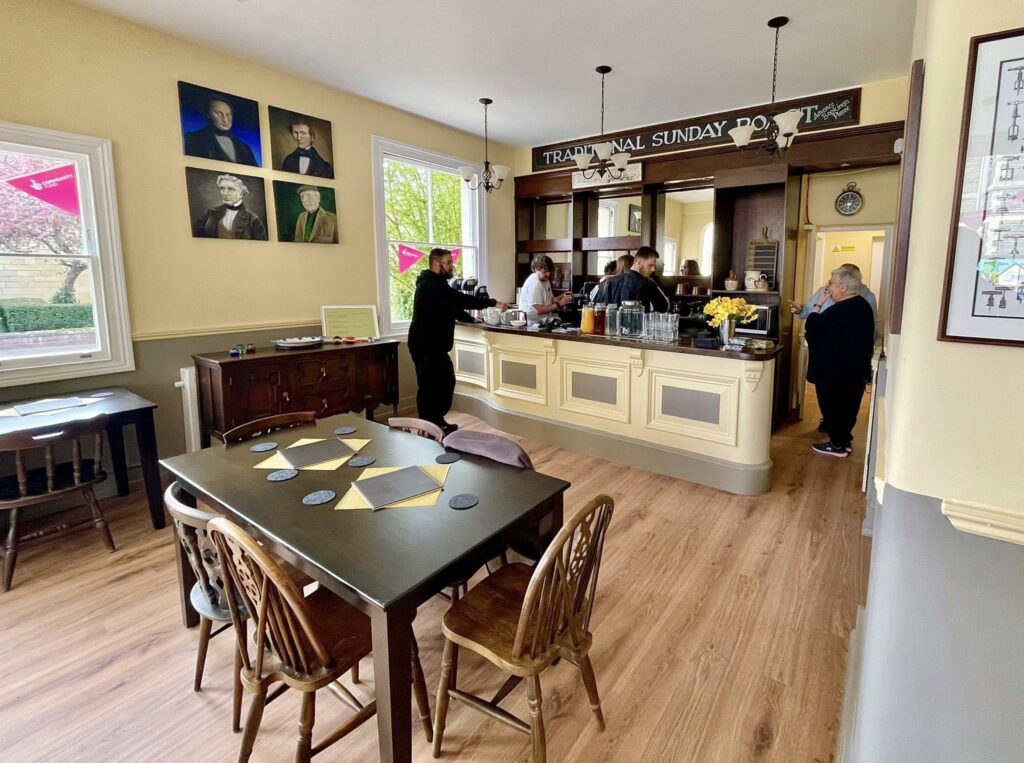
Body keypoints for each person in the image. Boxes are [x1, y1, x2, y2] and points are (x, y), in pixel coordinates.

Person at [407, 248, 508, 434]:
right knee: (433, 385)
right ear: (437, 264)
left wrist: (469, 319)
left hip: (429, 344)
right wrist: (493, 302)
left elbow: (450, 306)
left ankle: (434, 423)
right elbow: (459, 299)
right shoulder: (432, 285)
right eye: (448, 263)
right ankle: (429, 426)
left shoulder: (435, 284)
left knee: (440, 383)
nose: (452, 266)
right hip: (426, 345)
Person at [805, 265, 875, 458]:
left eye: (831, 284)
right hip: (854, 371)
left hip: (834, 372)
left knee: (832, 407)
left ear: (843, 287)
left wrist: (818, 304)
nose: (829, 288)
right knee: (848, 407)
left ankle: (836, 444)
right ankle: (843, 441)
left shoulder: (839, 311)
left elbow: (812, 329)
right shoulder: (863, 306)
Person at [183, 96, 258, 166]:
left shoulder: (244, 147)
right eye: (218, 113)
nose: (225, 120)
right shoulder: (192, 139)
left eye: (228, 115)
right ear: (207, 114)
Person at [192, 174, 268, 239]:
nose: (225, 193)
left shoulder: (253, 220)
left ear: (241, 194)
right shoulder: (211, 213)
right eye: (222, 189)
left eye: (230, 189)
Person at [599, 246, 670, 312]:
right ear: (639, 263)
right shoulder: (646, 284)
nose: (653, 269)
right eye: (650, 265)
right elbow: (664, 306)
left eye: (654, 266)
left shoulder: (610, 281)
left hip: (611, 323)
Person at [519, 255, 572, 324]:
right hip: (532, 323)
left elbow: (550, 299)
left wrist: (562, 297)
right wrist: (559, 304)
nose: (548, 274)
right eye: (544, 271)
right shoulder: (534, 284)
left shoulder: (545, 280)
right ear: (536, 269)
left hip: (543, 320)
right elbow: (539, 310)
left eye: (549, 271)